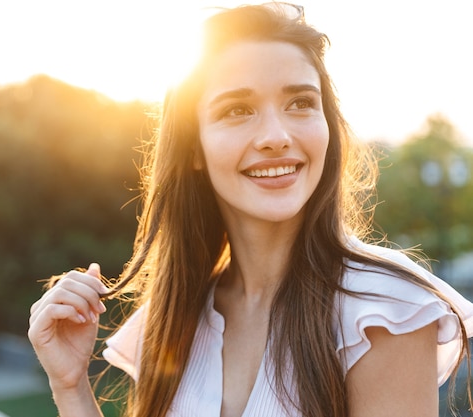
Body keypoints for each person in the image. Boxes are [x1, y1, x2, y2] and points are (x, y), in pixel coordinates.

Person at [28, 3, 473, 416]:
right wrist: (70, 386)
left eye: (300, 103)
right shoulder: (173, 317)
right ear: (194, 147)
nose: (275, 136)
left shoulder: (383, 310)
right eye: (237, 110)